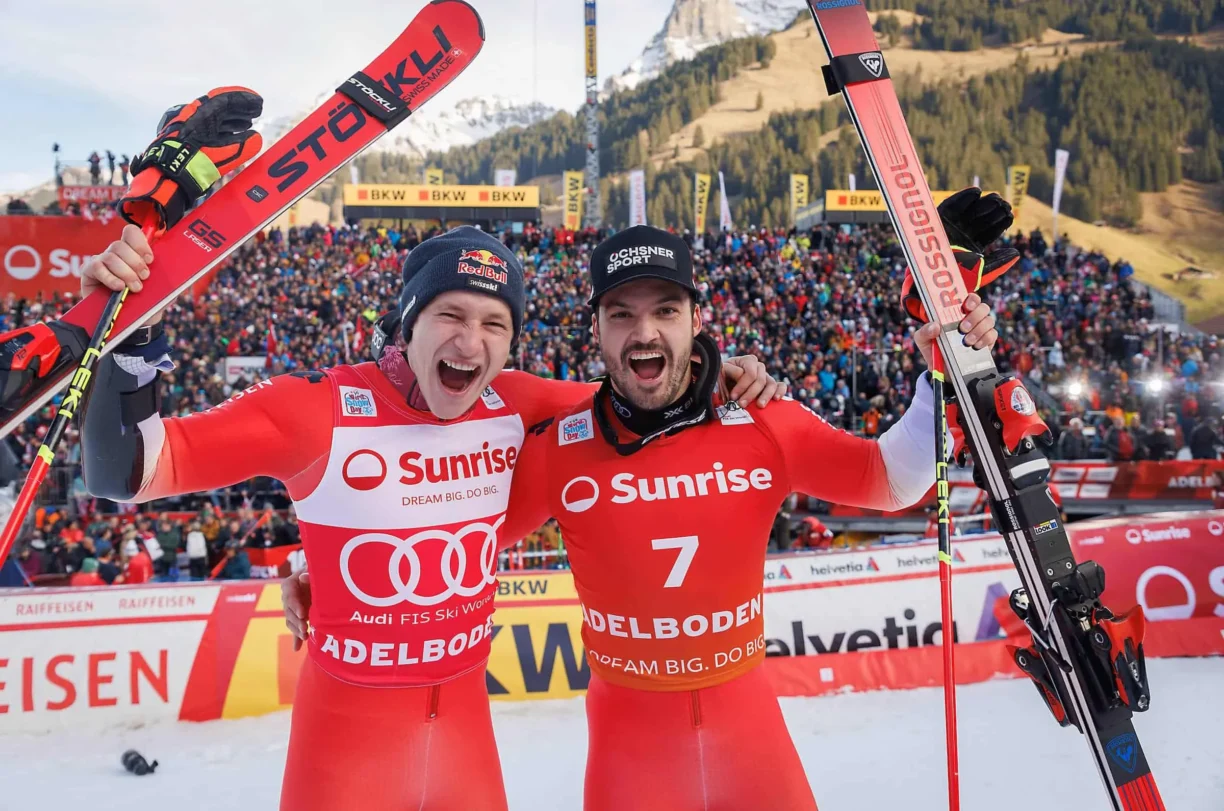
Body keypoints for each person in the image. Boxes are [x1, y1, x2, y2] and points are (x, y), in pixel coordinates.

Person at [79, 214, 781, 811]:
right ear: (409, 319)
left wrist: (724, 372)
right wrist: (130, 336)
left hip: (466, 756)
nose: (470, 343)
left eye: (494, 323)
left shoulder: (518, 402)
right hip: (344, 758)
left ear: (511, 343)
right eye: (450, 314)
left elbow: (644, 397)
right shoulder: (313, 410)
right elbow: (121, 467)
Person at [486, 225, 999, 810]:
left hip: (748, 739)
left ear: (696, 321)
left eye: (667, 310)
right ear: (595, 329)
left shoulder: (758, 418)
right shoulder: (562, 445)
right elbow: (465, 537)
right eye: (622, 315)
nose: (645, 331)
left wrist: (946, 371)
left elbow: (891, 480)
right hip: (630, 756)